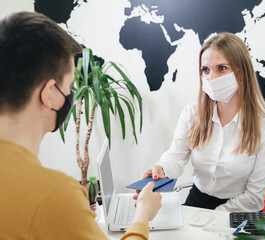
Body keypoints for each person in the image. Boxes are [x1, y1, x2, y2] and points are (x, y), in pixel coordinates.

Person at [0, 11, 161, 240]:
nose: (70, 95)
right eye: (69, 86)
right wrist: (143, 216)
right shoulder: (53, 195)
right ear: (49, 94)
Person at [142, 32, 265, 212]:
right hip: (196, 203)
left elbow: (254, 198)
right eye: (205, 70)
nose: (211, 78)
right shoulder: (192, 114)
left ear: (241, 72)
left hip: (239, 211)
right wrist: (161, 170)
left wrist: (211, 219)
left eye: (222, 68)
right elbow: (175, 158)